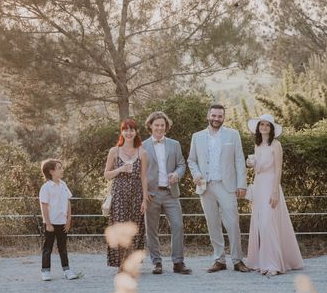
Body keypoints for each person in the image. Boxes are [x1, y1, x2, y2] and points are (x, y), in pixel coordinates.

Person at [188, 104, 250, 273]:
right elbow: (191, 160)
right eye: (214, 115)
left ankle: (238, 260)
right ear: (208, 116)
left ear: (223, 117)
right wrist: (196, 174)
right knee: (212, 223)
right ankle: (219, 260)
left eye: (220, 116)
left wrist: (241, 184)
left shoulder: (233, 135)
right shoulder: (197, 136)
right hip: (205, 186)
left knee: (233, 223)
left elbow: (239, 160)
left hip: (226, 185)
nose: (216, 119)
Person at [244, 114, 303, 276]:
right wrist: (252, 164)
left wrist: (275, 191)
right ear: (258, 128)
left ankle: (273, 264)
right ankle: (259, 261)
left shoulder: (276, 145)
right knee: (260, 223)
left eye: (267, 125)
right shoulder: (257, 145)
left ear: (271, 128)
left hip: (271, 185)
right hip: (259, 185)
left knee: (268, 223)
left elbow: (278, 169)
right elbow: (258, 168)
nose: (263, 127)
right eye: (261, 124)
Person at [143, 111, 192, 275]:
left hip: (171, 193)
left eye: (162, 125)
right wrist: (143, 193)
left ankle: (178, 262)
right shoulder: (142, 146)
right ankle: (156, 262)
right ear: (150, 126)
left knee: (178, 225)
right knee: (152, 230)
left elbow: (181, 164)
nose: (159, 128)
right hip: (151, 194)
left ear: (166, 127)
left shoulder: (174, 144)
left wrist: (177, 174)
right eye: (156, 125)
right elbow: (140, 173)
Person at [104, 118, 149, 270]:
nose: (129, 133)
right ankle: (122, 264)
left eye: (132, 129)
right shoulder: (114, 151)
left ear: (136, 132)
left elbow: (144, 177)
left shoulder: (142, 152)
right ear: (122, 131)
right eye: (126, 129)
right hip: (119, 193)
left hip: (136, 193)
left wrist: (144, 199)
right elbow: (107, 174)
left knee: (136, 228)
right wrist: (120, 169)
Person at [39, 159, 78, 281]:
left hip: (62, 223)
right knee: (47, 248)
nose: (62, 170)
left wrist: (68, 220)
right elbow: (44, 206)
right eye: (59, 168)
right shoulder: (46, 188)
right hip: (51, 223)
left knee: (63, 248)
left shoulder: (63, 185)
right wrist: (48, 223)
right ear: (51, 171)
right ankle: (45, 271)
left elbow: (68, 202)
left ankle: (67, 270)